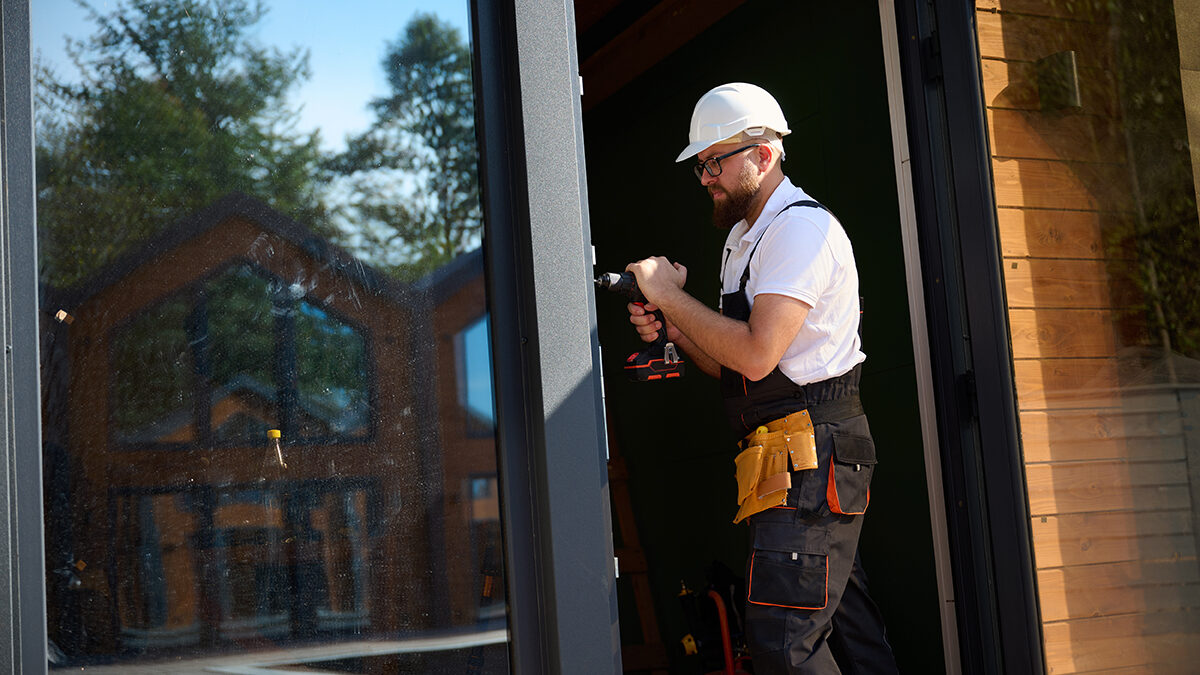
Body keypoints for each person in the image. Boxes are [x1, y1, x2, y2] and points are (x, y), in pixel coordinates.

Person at [624, 82, 899, 674]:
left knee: (782, 647)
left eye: (713, 162)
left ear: (763, 154)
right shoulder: (744, 238)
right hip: (784, 459)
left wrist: (671, 296)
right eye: (700, 166)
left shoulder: (800, 231)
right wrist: (673, 326)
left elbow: (755, 354)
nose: (705, 178)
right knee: (851, 642)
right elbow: (729, 364)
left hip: (813, 454)